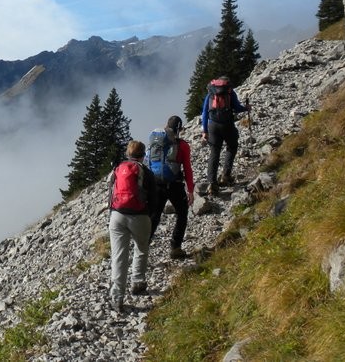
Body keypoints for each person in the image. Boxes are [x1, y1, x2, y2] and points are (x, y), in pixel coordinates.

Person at [107, 140, 157, 313]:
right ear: (143, 155)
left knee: (119, 256)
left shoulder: (118, 168)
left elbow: (110, 189)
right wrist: (149, 215)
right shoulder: (146, 172)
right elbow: (154, 198)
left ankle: (117, 297)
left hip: (117, 215)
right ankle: (138, 282)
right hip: (139, 216)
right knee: (141, 248)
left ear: (128, 154)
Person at [148, 115, 195, 259]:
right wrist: (191, 190)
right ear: (179, 128)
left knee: (155, 216)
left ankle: (143, 245)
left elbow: (148, 161)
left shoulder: (156, 142)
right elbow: (187, 168)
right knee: (182, 213)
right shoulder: (183, 145)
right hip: (174, 184)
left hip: (156, 184)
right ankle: (175, 247)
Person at [201, 76, 250, 195]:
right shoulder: (230, 92)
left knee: (214, 153)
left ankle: (212, 184)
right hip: (227, 124)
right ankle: (225, 175)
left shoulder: (211, 93)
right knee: (232, 146)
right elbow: (237, 108)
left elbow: (204, 113)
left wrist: (205, 131)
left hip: (213, 126)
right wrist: (246, 108)